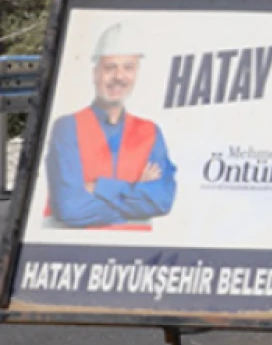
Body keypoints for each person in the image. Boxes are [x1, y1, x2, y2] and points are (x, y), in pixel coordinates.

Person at [44, 23, 178, 228]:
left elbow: (162, 201)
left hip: (137, 248)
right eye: (110, 67)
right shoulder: (68, 128)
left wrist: (100, 187)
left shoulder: (150, 132)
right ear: (95, 73)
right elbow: (70, 208)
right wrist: (137, 194)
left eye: (128, 68)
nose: (119, 76)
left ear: (137, 73)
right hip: (77, 247)